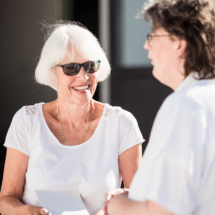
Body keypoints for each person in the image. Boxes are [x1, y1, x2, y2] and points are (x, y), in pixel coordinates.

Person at [0, 22, 144, 215]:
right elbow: (6, 200)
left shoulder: (121, 123)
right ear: (52, 71)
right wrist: (28, 212)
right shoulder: (26, 121)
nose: (83, 76)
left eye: (90, 66)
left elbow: (140, 202)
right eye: (71, 68)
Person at [103, 0, 215, 214]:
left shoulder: (186, 105)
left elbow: (163, 211)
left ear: (179, 44)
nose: (147, 45)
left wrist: (116, 204)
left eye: (153, 35)